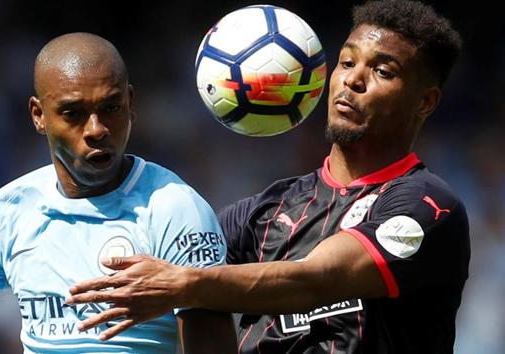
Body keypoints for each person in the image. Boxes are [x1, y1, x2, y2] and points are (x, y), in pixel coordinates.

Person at [65, 1, 470, 353]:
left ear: (425, 102)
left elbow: (317, 279)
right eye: (347, 62)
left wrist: (183, 284)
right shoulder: (264, 211)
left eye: (383, 71)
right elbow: (166, 261)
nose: (352, 80)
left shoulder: (428, 206)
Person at [0, 33, 236, 354]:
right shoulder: (4, 213)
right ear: (38, 115)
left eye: (111, 107)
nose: (96, 129)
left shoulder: (176, 209)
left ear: (131, 104)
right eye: (73, 113)